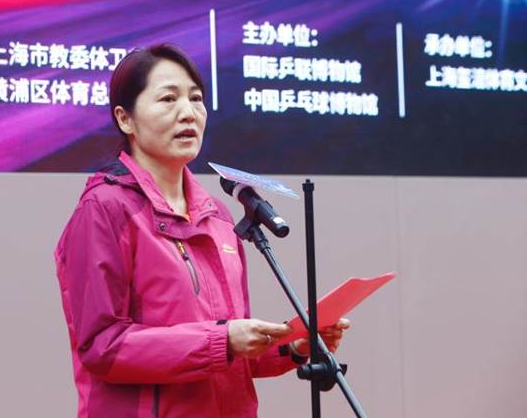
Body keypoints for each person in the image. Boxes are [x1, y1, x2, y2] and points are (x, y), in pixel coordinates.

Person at [54, 44, 350, 418]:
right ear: (125, 119)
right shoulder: (105, 209)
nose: (188, 113)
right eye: (168, 99)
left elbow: (227, 352)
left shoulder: (218, 216)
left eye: (196, 99)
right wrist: (222, 340)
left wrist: (292, 347)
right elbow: (102, 346)